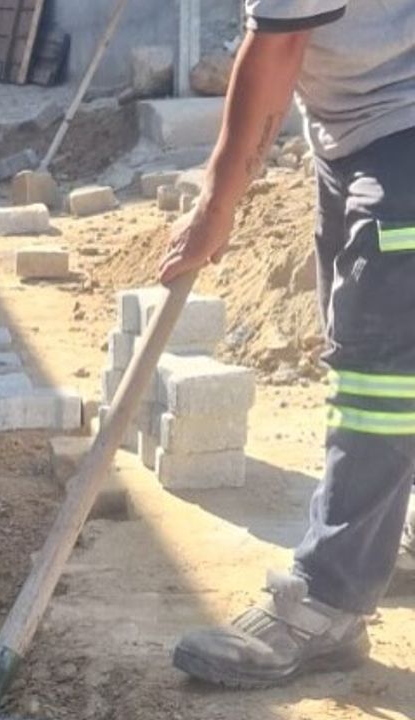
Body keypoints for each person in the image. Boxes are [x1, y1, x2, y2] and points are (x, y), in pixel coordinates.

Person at [159, 0, 415, 689]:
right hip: (365, 131)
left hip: (399, 135)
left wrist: (217, 206)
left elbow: (277, 48)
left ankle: (328, 598)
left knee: (378, 374)